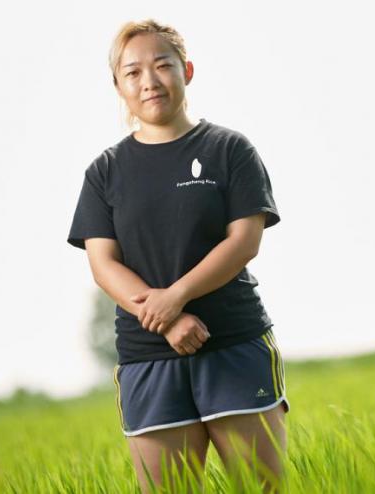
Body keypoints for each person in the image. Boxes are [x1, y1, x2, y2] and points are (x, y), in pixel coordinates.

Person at [66, 18, 289, 493]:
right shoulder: (104, 172)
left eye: (161, 64)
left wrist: (177, 297)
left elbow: (244, 240)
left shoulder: (229, 149)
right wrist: (166, 319)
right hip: (148, 357)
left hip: (233, 341)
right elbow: (103, 264)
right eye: (133, 72)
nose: (149, 80)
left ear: (186, 70)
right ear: (119, 86)